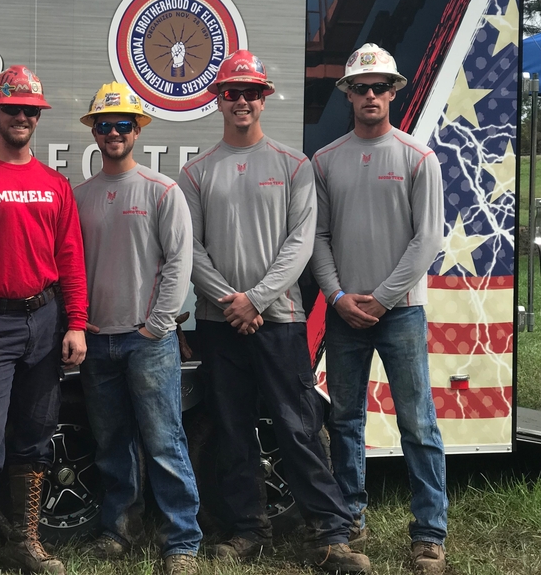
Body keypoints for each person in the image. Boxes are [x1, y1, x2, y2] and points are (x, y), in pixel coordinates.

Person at [178, 51, 370, 573]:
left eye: (250, 93)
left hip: (278, 319)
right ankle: (247, 531)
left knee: (299, 426)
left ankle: (330, 534)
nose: (241, 101)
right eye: (231, 92)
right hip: (221, 324)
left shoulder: (294, 165)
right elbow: (191, 250)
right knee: (232, 428)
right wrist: (231, 301)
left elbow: (301, 243)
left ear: (263, 99)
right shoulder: (195, 173)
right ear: (219, 100)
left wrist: (256, 299)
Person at [0, 65, 89, 575]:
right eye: (13, 109)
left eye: (30, 111)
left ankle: (25, 542)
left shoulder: (54, 184)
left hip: (45, 320)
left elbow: (70, 257)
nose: (22, 117)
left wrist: (76, 323)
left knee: (36, 432)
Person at [311, 43, 447, 575]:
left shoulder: (419, 157)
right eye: (360, 87)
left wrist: (381, 297)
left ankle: (430, 534)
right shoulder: (326, 161)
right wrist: (340, 298)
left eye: (380, 87)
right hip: (346, 315)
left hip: (401, 313)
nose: (370, 95)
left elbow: (427, 238)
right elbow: (317, 238)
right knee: (345, 421)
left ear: (394, 92)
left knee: (418, 424)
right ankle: (348, 522)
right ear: (347, 94)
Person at [72, 83, 200, 575]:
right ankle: (118, 529)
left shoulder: (161, 191)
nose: (113, 133)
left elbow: (178, 264)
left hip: (147, 341)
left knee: (164, 440)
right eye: (104, 125)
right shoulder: (79, 196)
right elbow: (72, 266)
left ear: (137, 130)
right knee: (111, 443)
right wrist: (80, 325)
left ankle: (182, 542)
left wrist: (156, 326)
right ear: (94, 133)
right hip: (97, 338)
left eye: (123, 124)